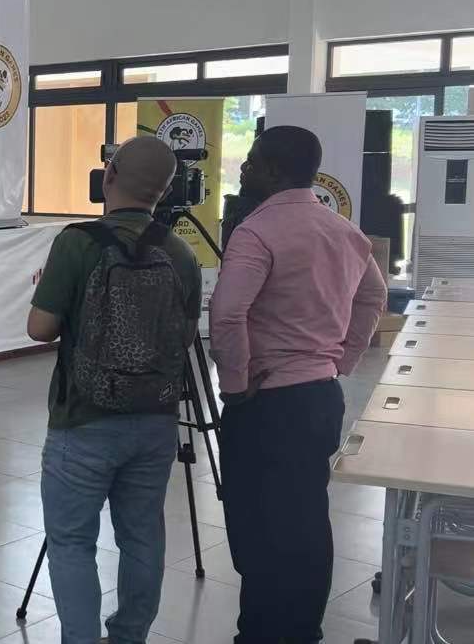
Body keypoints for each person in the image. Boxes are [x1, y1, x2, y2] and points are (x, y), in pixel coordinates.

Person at [210, 125, 386, 644]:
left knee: (256, 524)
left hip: (265, 400)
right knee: (306, 517)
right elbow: (373, 297)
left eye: (251, 160)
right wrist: (342, 359)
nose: (243, 169)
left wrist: (234, 383)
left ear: (273, 170)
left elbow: (227, 313)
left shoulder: (256, 232)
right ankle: (303, 631)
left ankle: (260, 632)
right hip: (319, 397)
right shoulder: (344, 231)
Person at [27, 136, 201, 644]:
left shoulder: (76, 242)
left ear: (109, 176)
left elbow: (40, 328)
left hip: (82, 419)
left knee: (72, 541)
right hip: (155, 421)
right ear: (166, 190)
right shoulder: (180, 252)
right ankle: (128, 636)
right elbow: (185, 337)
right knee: (142, 535)